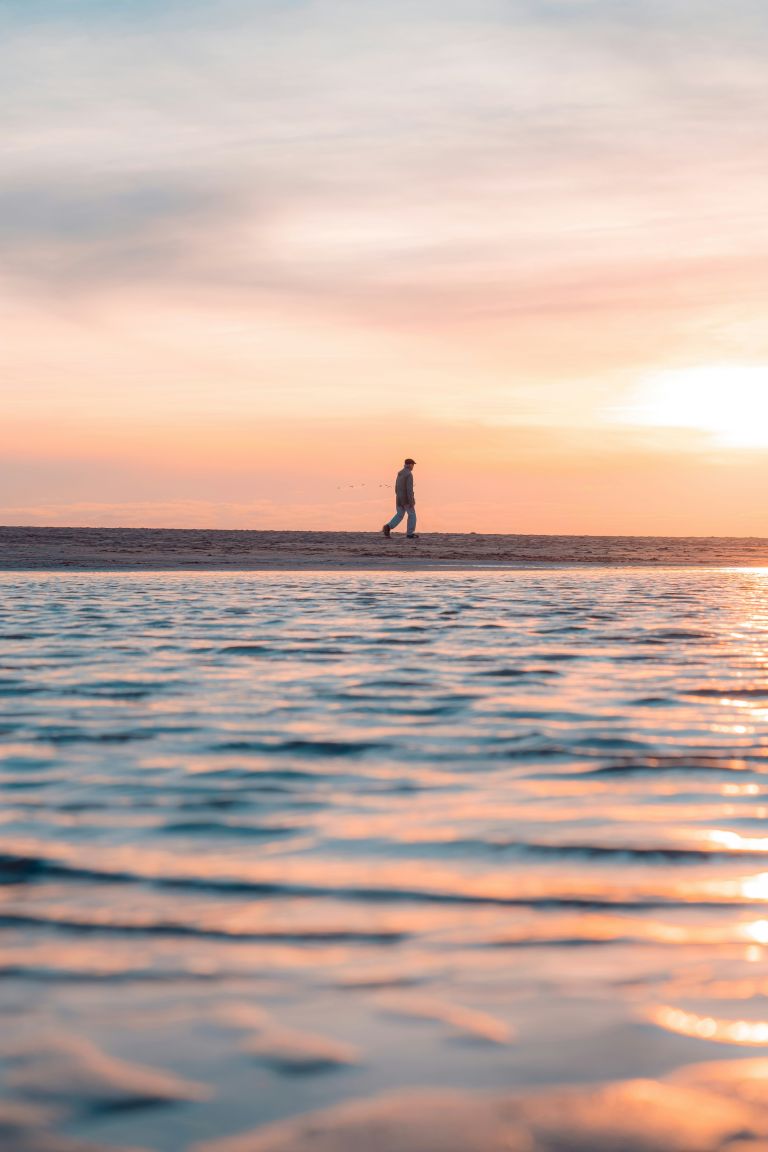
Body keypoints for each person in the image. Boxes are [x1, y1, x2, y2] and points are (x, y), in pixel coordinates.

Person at [382, 458, 418, 538]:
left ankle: (388, 527)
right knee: (412, 515)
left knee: (400, 515)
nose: (413, 467)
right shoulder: (409, 474)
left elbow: (396, 487)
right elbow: (409, 489)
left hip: (399, 498)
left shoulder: (400, 473)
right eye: (413, 465)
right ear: (409, 465)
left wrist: (398, 496)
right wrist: (411, 501)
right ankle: (410, 533)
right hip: (406, 499)